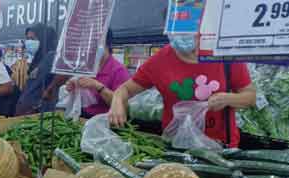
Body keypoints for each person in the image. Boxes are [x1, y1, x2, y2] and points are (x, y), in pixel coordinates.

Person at [108, 33, 256, 147]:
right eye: (178, 30)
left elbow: (250, 97)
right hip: (177, 144)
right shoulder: (160, 61)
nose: (184, 35)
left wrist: (229, 99)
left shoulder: (223, 54)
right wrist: (117, 101)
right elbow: (126, 89)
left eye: (190, 30)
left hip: (220, 145)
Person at [65, 29, 130, 117]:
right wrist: (73, 86)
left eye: (95, 43)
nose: (90, 47)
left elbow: (123, 105)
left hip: (104, 122)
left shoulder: (119, 71)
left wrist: (98, 87)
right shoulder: (86, 67)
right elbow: (82, 96)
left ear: (107, 44)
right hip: (83, 117)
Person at [14, 24, 62, 115]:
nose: (28, 42)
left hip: (40, 114)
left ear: (44, 39)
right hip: (29, 113)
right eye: (27, 39)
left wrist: (48, 91)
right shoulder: (38, 59)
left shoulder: (52, 57)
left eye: (33, 39)